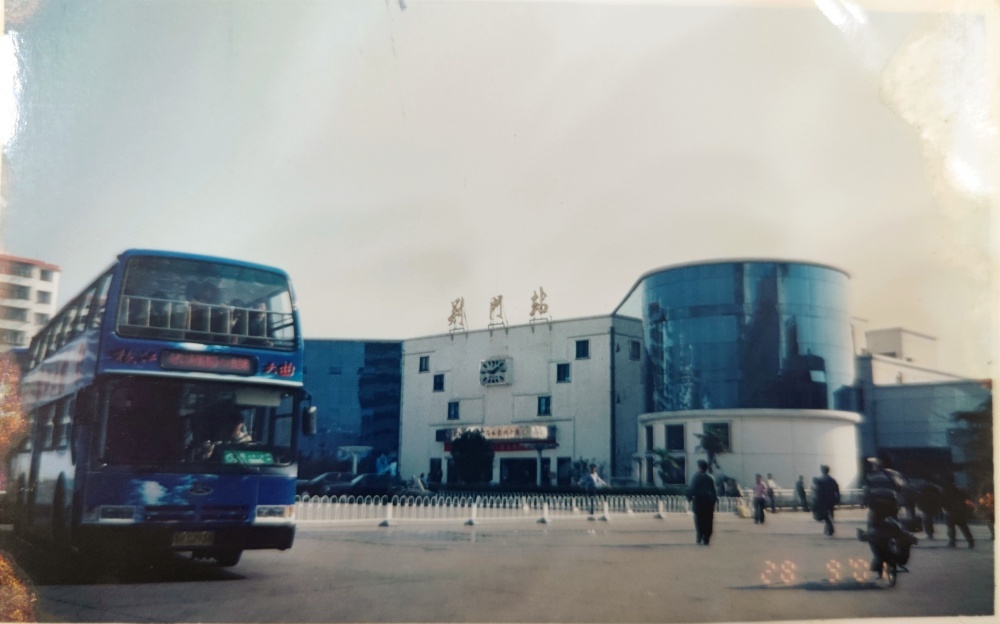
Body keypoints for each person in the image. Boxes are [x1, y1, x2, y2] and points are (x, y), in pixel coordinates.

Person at [858, 451, 916, 577]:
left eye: (875, 462)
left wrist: (863, 502)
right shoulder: (897, 474)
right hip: (893, 509)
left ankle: (878, 559)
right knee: (896, 530)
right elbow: (903, 489)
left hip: (877, 509)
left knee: (872, 533)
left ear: (880, 463)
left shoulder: (871, 475)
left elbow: (866, 492)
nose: (874, 464)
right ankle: (898, 552)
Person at [687, 459, 718, 545]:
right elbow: (714, 490)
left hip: (699, 501)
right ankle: (707, 536)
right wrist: (715, 500)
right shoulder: (710, 478)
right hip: (708, 502)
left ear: (700, 467)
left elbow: (692, 488)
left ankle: (700, 535)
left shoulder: (696, 477)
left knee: (699, 519)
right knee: (708, 519)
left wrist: (689, 497)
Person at [941, 474, 975, 548]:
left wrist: (944, 509)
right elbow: (966, 499)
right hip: (959, 511)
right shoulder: (958, 490)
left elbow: (942, 501)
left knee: (951, 528)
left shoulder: (944, 490)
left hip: (950, 512)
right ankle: (970, 541)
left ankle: (952, 542)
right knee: (964, 527)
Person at [812, 465, 840, 536]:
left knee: (825, 515)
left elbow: (816, 490)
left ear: (822, 471)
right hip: (831, 499)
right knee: (830, 514)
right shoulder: (832, 480)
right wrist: (837, 499)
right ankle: (828, 528)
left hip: (823, 500)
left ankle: (829, 529)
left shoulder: (820, 480)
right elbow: (837, 490)